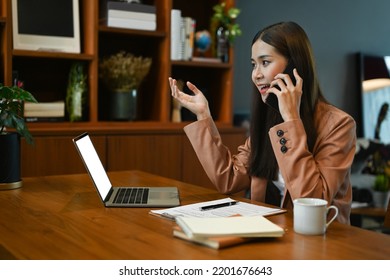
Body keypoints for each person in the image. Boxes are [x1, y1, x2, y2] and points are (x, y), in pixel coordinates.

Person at [168, 21, 356, 224]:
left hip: (321, 242)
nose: (256, 74)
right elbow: (228, 178)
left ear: (294, 66)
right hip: (272, 235)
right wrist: (203, 116)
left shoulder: (339, 125)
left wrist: (291, 120)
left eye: (265, 62)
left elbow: (314, 201)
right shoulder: (269, 119)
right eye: (253, 64)